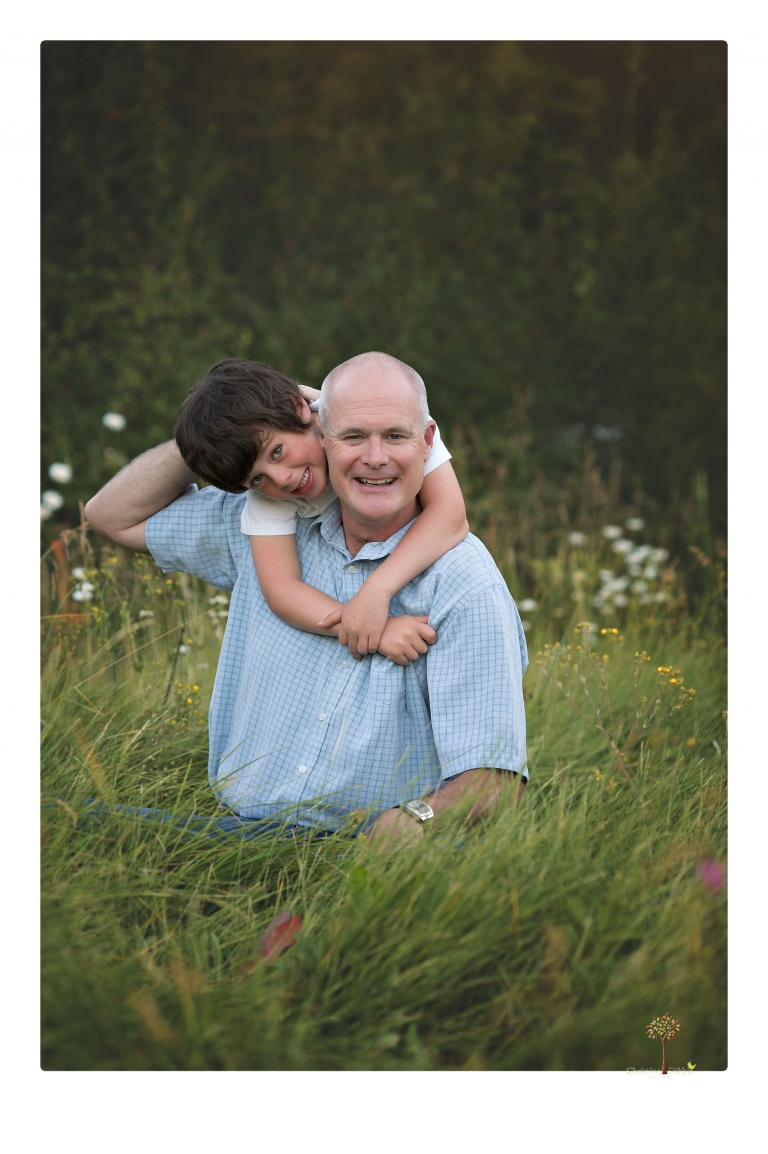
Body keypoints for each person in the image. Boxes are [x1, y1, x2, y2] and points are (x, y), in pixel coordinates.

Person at [84, 351, 529, 844]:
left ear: (424, 440)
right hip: (236, 835)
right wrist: (218, 430)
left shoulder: (464, 583)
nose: (375, 456)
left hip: (365, 851)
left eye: (394, 436)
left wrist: (414, 822)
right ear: (326, 435)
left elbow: (494, 782)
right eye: (353, 436)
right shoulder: (266, 509)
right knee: (66, 819)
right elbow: (109, 517)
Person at [173, 357, 469, 663]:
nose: (282, 479)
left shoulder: (387, 422)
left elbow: (450, 516)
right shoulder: (268, 496)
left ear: (300, 409)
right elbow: (282, 590)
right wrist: (365, 626)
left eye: (277, 452)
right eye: (257, 478)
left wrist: (377, 590)